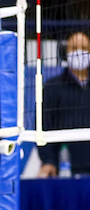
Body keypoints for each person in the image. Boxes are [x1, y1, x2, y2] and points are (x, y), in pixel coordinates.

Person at [38, 31, 90, 176]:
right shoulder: (53, 86)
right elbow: (44, 124)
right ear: (66, 52)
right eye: (74, 48)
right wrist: (48, 160)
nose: (79, 53)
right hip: (66, 168)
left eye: (84, 48)